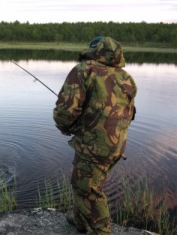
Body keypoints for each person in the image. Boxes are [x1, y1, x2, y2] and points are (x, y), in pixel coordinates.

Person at [53, 36, 137, 235]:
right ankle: (80, 220)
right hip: (116, 145)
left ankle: (101, 230)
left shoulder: (83, 70)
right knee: (83, 179)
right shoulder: (126, 78)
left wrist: (65, 126)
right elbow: (130, 114)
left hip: (93, 146)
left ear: (94, 51)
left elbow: (65, 111)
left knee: (88, 189)